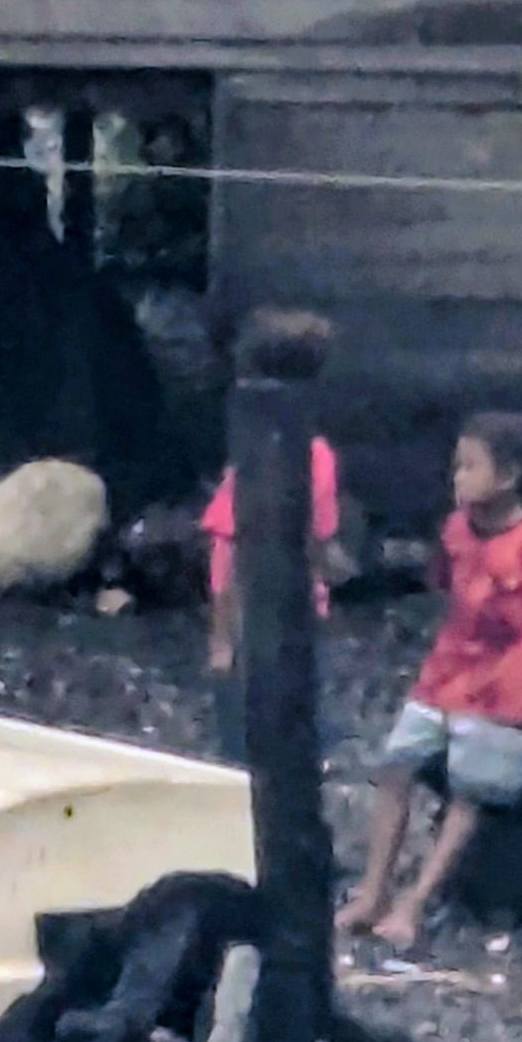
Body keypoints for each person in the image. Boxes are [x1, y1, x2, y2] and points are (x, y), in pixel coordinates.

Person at [336, 409, 522, 949]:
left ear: (508, 476)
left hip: (506, 684)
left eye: (469, 467)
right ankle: (372, 889)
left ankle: (414, 901)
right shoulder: (454, 530)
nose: (457, 479)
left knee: (471, 792)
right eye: (456, 467)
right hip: (447, 671)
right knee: (396, 765)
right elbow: (443, 582)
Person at [200, 308, 344, 762]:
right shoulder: (314, 453)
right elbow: (315, 541)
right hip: (281, 609)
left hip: (261, 610)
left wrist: (220, 634)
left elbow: (225, 549)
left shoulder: (258, 449)